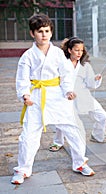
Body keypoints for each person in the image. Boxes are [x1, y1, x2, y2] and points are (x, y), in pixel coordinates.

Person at [12, 14, 94, 185]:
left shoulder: (57, 53)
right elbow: (22, 78)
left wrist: (68, 91)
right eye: (40, 31)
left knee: (73, 129)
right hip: (36, 97)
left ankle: (80, 163)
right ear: (32, 33)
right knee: (28, 136)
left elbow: (66, 74)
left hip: (57, 95)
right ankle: (23, 169)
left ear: (51, 32)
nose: (44, 34)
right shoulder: (27, 56)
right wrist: (25, 94)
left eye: (47, 31)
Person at [49, 37, 106, 152]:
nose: (79, 53)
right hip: (66, 96)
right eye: (76, 50)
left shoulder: (85, 65)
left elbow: (90, 84)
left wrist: (95, 79)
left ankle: (96, 135)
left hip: (83, 95)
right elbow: (56, 81)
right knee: (62, 120)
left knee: (102, 116)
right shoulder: (62, 64)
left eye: (81, 50)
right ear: (70, 50)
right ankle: (58, 142)